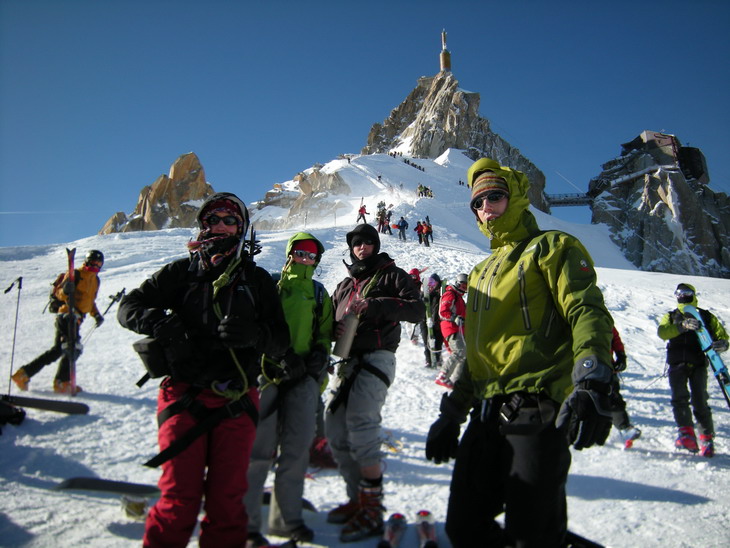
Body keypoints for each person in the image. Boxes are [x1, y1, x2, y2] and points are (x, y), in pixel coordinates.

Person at [425, 158, 614, 548]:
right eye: (477, 202)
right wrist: (451, 414)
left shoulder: (552, 247)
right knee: (463, 528)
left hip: (538, 410)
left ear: (516, 197)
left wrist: (593, 376)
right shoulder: (479, 273)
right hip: (485, 415)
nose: (485, 207)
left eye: (495, 196)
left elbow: (585, 310)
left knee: (532, 535)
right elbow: (477, 356)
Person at [117, 192, 290, 547]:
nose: (222, 226)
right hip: (183, 393)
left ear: (241, 229)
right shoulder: (180, 273)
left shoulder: (257, 281)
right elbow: (128, 306)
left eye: (231, 221)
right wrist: (156, 321)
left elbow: (281, 341)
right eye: (214, 219)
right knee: (178, 497)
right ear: (203, 224)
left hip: (236, 398)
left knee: (227, 503)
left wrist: (254, 335)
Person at [325, 223, 425, 542]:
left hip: (378, 357)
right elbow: (328, 320)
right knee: (335, 427)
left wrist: (377, 304)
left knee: (360, 422)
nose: (362, 248)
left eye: (368, 242)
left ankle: (372, 509)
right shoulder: (345, 285)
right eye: (356, 244)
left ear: (375, 245)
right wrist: (333, 331)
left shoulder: (393, 275)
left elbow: (418, 310)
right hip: (348, 361)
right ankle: (359, 499)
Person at [245, 233, 334, 547]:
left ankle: (287, 521)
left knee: (295, 453)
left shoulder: (320, 293)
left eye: (311, 256)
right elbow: (258, 328)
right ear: (290, 254)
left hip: (304, 379)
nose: (305, 259)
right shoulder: (272, 287)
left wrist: (319, 356)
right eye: (300, 253)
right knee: (257, 452)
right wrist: (275, 359)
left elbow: (324, 334)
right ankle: (246, 524)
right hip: (268, 375)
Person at [12, 250, 105, 394]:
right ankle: (61, 382)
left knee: (58, 350)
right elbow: (59, 293)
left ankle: (23, 374)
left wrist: (96, 315)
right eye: (93, 262)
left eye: (98, 263)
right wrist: (66, 291)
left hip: (78, 318)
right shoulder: (76, 274)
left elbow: (90, 301)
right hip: (67, 315)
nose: (95, 265)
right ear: (87, 261)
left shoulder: (96, 280)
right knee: (72, 348)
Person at [657, 283, 728, 457]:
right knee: (679, 399)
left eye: (687, 292)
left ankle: (706, 437)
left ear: (693, 294)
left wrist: (723, 344)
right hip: (677, 363)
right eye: (680, 293)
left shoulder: (706, 316)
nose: (683, 295)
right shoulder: (672, 315)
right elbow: (662, 332)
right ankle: (686, 433)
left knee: (700, 400)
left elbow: (722, 335)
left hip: (697, 363)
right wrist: (682, 326)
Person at [609, 326, 641, 448]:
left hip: (606, 365)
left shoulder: (602, 314)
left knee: (613, 397)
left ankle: (624, 428)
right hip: (582, 364)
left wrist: (620, 354)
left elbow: (614, 337)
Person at [435, 273, 467, 389]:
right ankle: (442, 375)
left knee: (463, 354)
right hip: (450, 327)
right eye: (463, 286)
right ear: (458, 283)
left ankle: (456, 380)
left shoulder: (460, 299)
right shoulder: (450, 294)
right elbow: (443, 312)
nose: (464, 289)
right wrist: (455, 317)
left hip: (458, 329)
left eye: (466, 287)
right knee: (459, 351)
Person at [424, 274, 444, 369]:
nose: (431, 285)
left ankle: (438, 358)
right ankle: (428, 360)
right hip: (425, 320)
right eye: (430, 283)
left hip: (438, 320)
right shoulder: (427, 292)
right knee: (426, 340)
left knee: (438, 340)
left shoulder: (441, 292)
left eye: (433, 282)